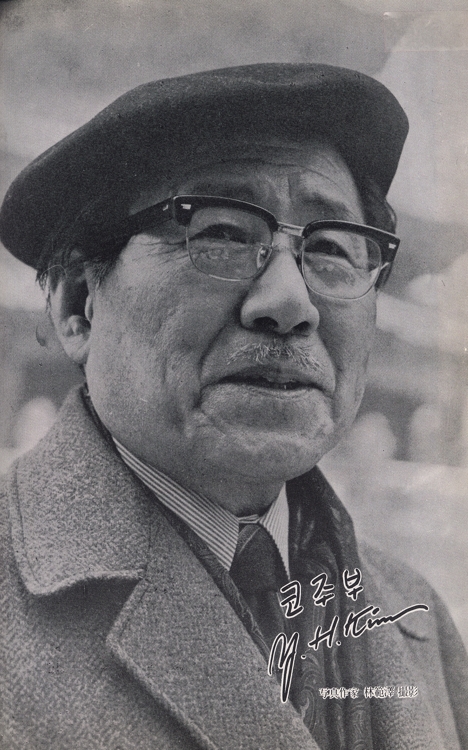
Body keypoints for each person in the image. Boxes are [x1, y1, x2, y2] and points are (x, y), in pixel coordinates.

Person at [0, 63, 466, 750]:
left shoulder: (416, 617)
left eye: (332, 249)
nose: (290, 303)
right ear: (77, 303)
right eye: (220, 233)